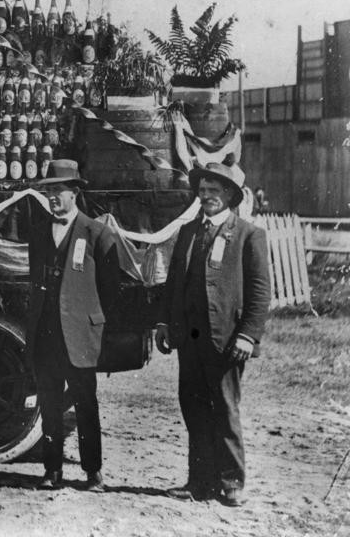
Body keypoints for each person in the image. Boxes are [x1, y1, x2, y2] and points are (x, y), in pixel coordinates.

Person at [155, 162, 271, 507]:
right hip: (189, 339)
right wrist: (164, 323)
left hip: (227, 341)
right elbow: (174, 284)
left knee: (224, 408)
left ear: (230, 196)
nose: (206, 197)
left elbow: (260, 292)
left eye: (214, 192)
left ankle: (231, 481)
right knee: (193, 407)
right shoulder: (189, 231)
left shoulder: (249, 235)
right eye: (202, 191)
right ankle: (199, 482)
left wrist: (248, 335)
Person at [26, 159, 120, 492]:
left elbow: (111, 288)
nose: (52, 197)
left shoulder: (97, 233)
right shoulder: (38, 232)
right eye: (48, 191)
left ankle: (93, 472)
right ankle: (52, 471)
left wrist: (90, 320)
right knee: (49, 405)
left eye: (59, 191)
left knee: (85, 405)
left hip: (79, 337)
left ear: (75, 192)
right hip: (47, 335)